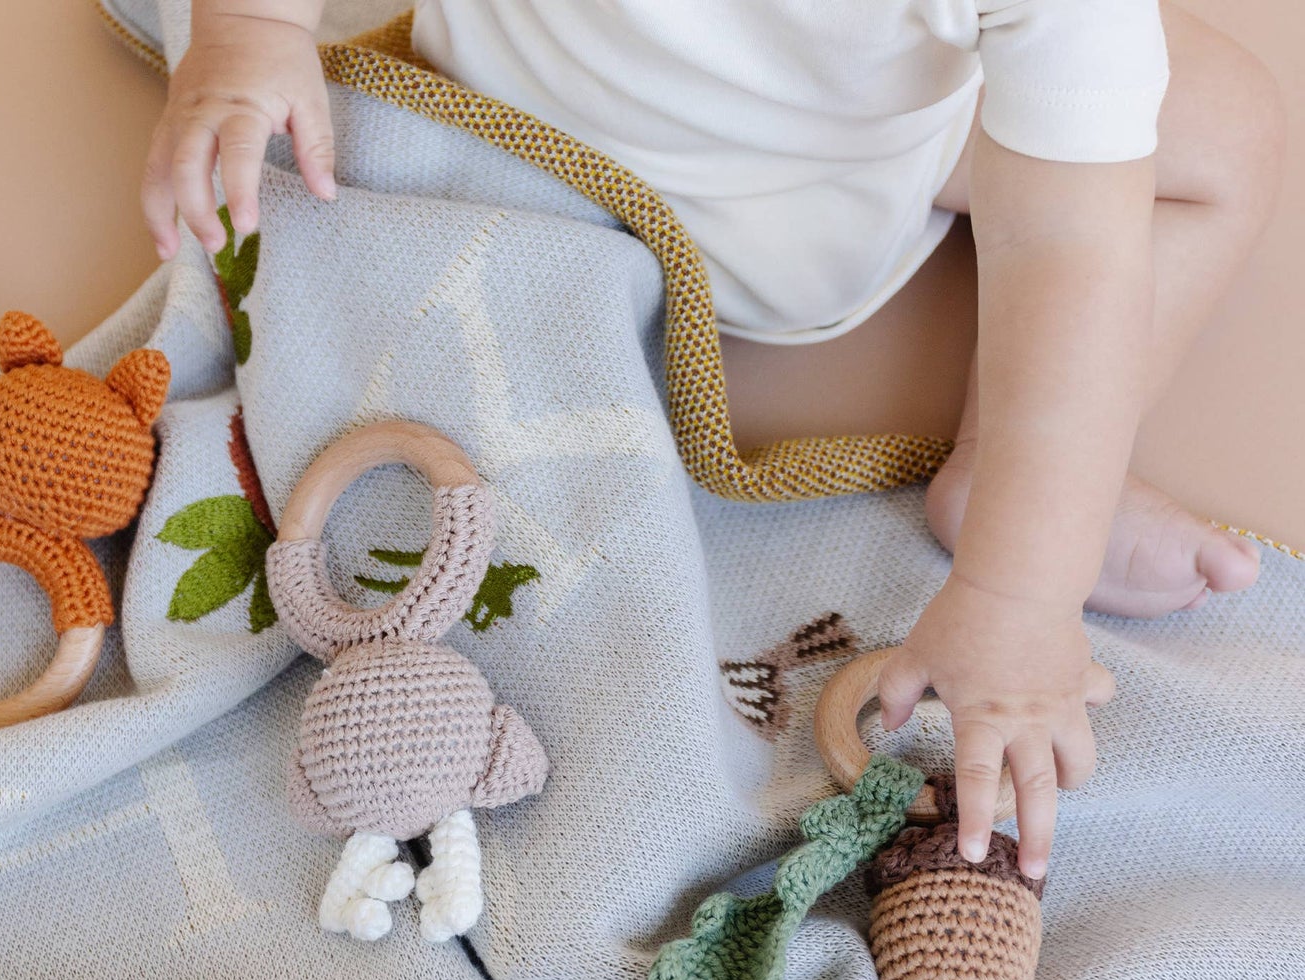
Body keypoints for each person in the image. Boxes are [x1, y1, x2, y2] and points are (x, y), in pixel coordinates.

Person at [141, 0, 1283, 878]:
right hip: (802, 220)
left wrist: (249, 36)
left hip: (493, 117)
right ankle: (1013, 480)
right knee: (1216, 133)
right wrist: (1021, 589)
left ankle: (1024, 490)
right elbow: (1065, 256)